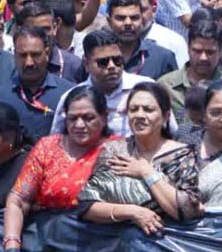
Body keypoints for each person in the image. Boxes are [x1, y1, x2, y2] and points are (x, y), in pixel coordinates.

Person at [2, 86, 115, 252]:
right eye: (72, 118)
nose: (79, 125)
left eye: (88, 118)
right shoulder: (48, 147)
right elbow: (18, 200)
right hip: (43, 249)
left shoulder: (118, 150)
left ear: (104, 117)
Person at [78, 82, 203, 230]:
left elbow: (187, 211)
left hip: (164, 239)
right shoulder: (114, 151)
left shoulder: (181, 155)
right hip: (113, 238)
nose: (139, 115)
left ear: (166, 117)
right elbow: (86, 206)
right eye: (133, 109)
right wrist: (133, 212)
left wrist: (147, 172)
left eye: (148, 110)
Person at [50, 31, 154, 137]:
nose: (112, 66)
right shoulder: (72, 97)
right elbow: (57, 139)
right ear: (86, 64)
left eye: (117, 60)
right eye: (103, 62)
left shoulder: (145, 89)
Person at [0, 27, 76, 142]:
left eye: (35, 55)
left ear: (47, 53)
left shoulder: (69, 94)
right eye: (22, 55)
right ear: (14, 55)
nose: (29, 63)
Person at [159, 20, 222, 120]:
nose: (203, 58)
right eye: (197, 51)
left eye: (210, 52)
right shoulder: (166, 87)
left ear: (220, 51)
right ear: (188, 49)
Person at [104, 0, 179, 78]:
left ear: (142, 20)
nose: (128, 23)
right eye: (121, 18)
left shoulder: (163, 58)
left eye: (134, 18)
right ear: (109, 22)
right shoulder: (97, 57)